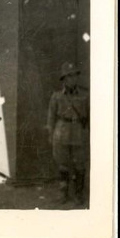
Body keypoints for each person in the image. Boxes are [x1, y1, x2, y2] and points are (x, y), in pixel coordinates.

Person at [46, 62, 89, 206]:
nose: (73, 79)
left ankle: (78, 195)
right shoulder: (56, 96)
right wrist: (51, 135)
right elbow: (51, 118)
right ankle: (63, 193)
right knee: (62, 165)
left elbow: (90, 116)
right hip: (61, 132)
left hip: (78, 132)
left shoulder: (85, 95)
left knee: (79, 165)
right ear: (64, 79)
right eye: (70, 76)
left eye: (75, 75)